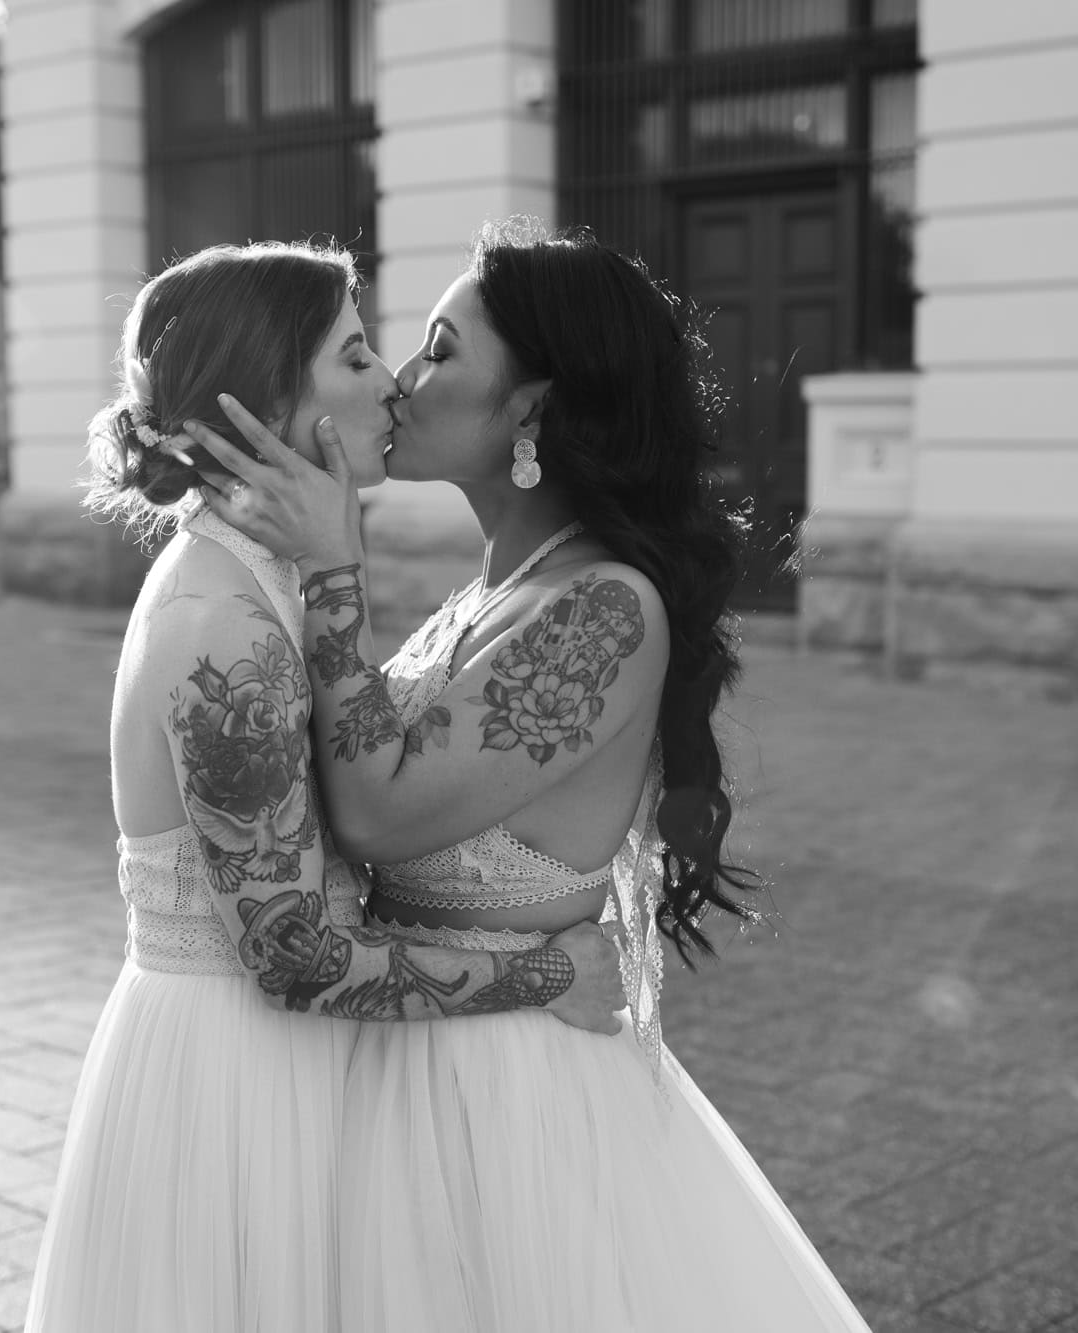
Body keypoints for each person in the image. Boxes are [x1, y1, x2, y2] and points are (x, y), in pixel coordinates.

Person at [188, 219, 874, 1332]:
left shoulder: (603, 608)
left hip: (500, 1099)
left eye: (443, 351)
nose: (403, 380)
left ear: (532, 408)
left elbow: (373, 809)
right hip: (408, 1054)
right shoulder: (492, 593)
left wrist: (328, 572)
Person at [23, 240, 623, 1333]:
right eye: (353, 356)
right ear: (266, 407)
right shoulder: (224, 630)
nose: (390, 379)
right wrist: (547, 972)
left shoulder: (260, 586)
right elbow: (293, 955)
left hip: (277, 1066)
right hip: (232, 1087)